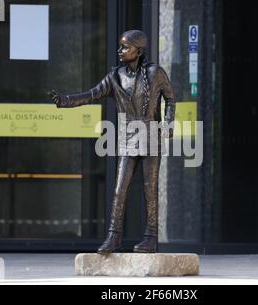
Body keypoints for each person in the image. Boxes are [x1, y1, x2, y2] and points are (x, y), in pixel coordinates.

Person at [51, 30, 175, 254]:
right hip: (128, 138)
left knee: (150, 189)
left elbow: (170, 98)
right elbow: (91, 94)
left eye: (125, 47)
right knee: (120, 189)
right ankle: (114, 237)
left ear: (138, 50)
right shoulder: (115, 77)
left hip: (151, 136)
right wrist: (64, 101)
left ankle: (151, 237)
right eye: (120, 46)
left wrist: (168, 122)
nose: (120, 51)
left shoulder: (155, 72)